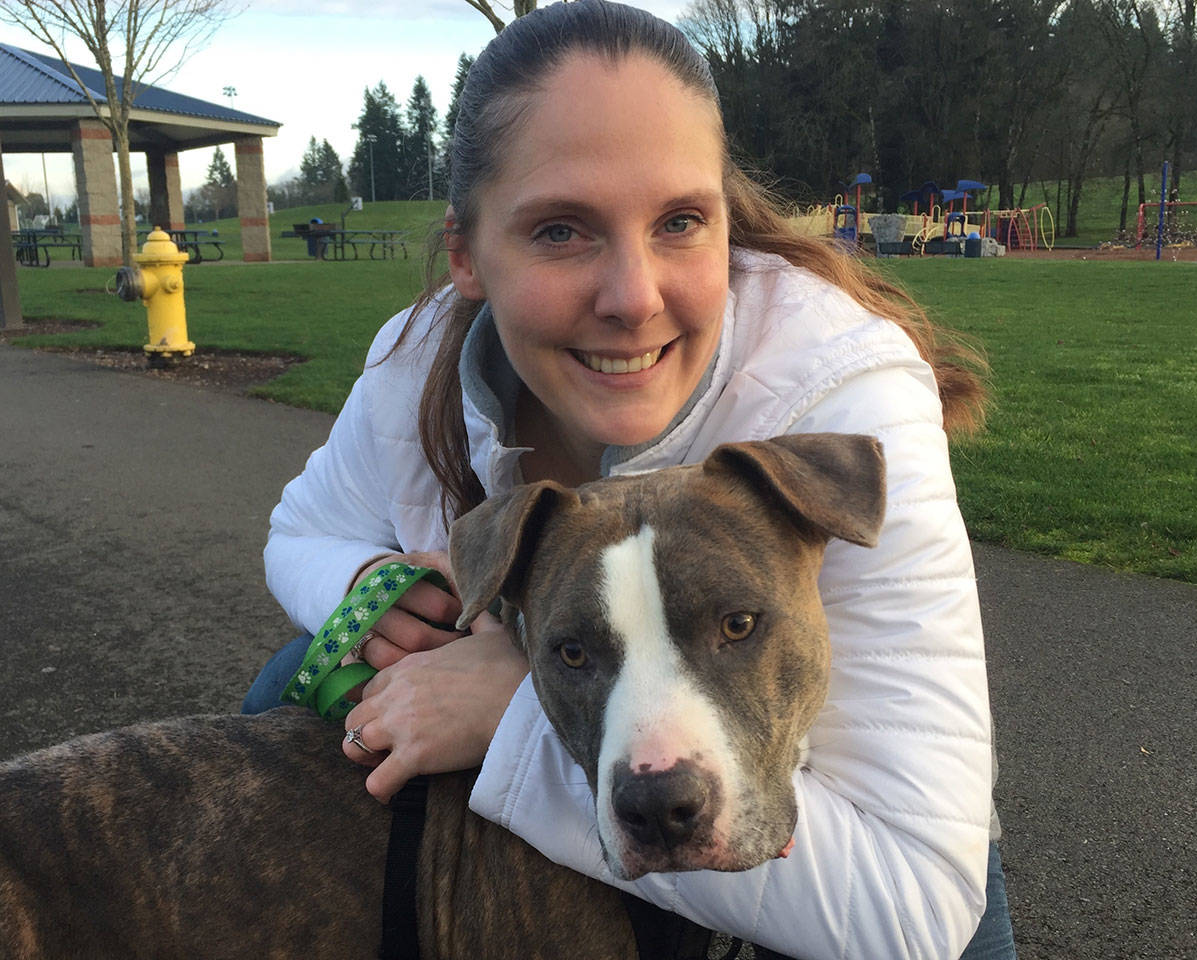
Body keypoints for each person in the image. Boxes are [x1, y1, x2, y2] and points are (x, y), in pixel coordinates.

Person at [244, 3, 1016, 958]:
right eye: (562, 231)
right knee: (299, 678)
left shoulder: (837, 397)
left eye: (680, 222)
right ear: (464, 256)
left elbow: (911, 910)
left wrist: (516, 720)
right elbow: (301, 530)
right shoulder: (415, 363)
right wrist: (369, 590)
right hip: (590, 748)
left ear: (727, 225)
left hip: (851, 837)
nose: (633, 297)